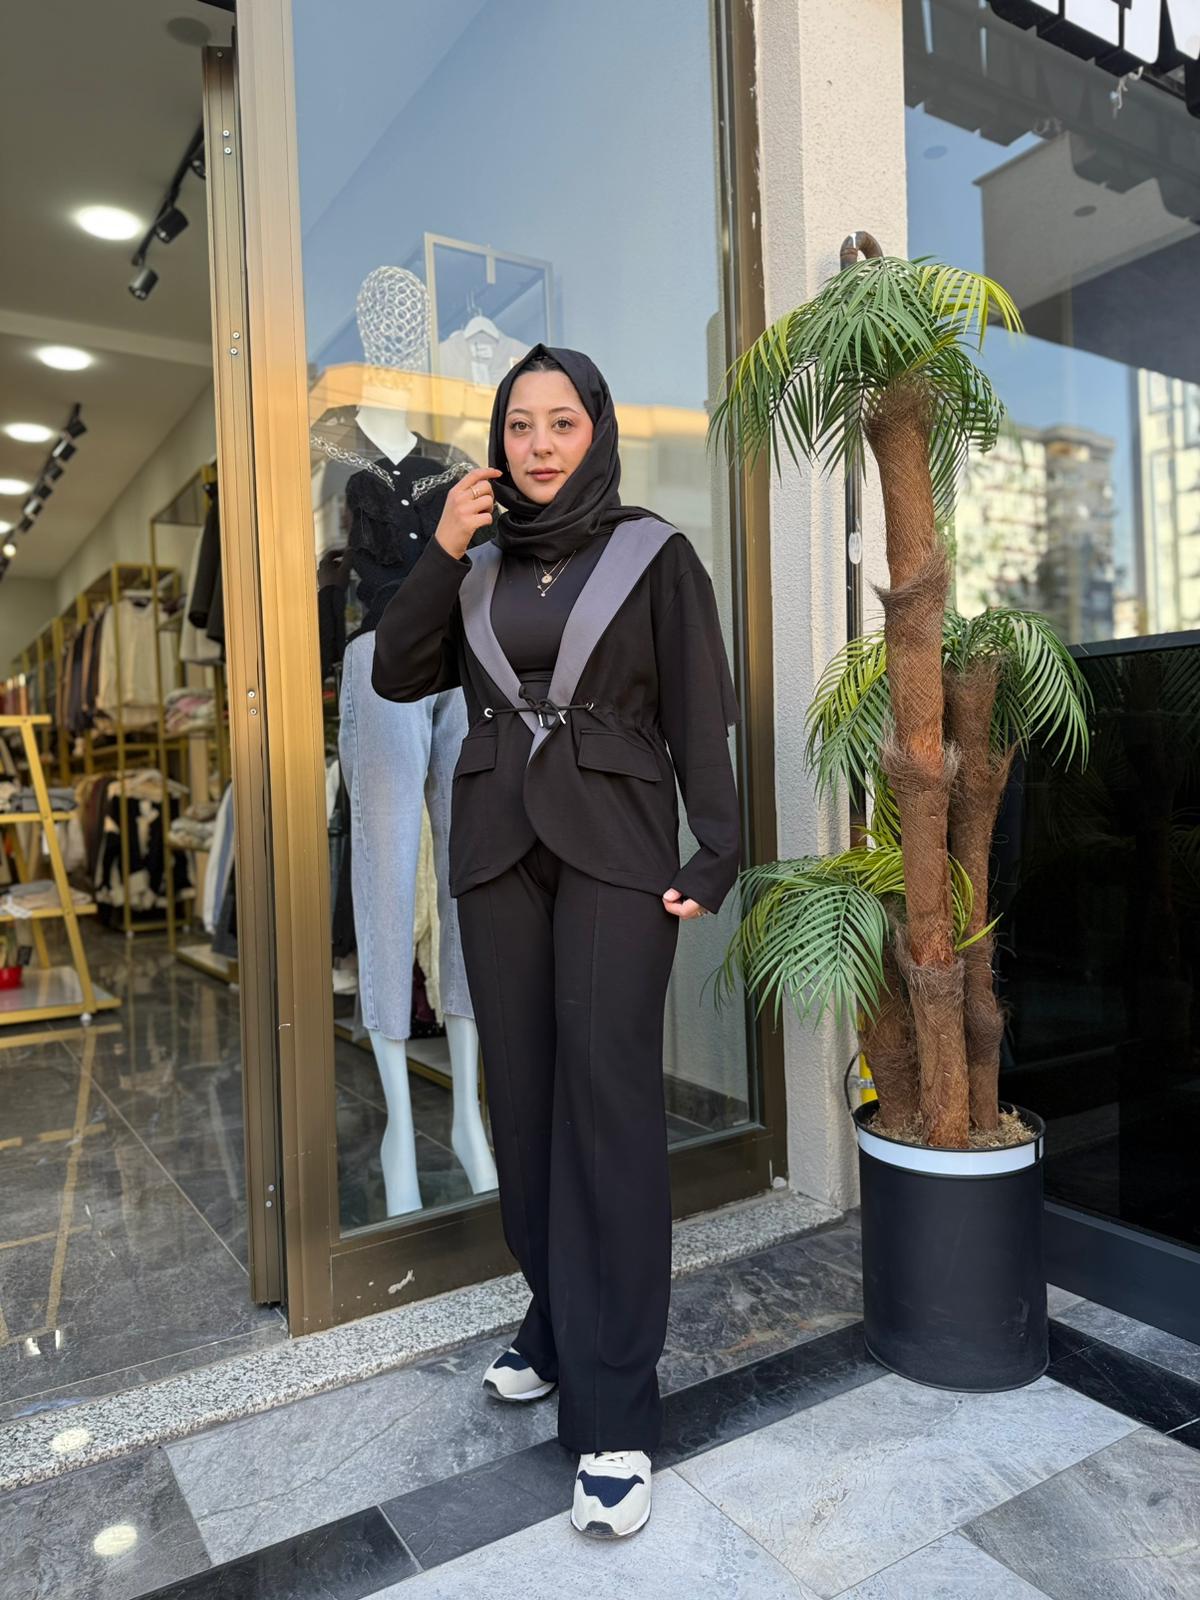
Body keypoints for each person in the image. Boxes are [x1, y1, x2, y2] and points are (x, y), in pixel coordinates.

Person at [371, 342, 741, 1539]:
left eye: (561, 423)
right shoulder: (475, 565)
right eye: (519, 425)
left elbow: (701, 704)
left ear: (596, 432)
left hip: (618, 853)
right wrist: (440, 547)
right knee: (525, 1109)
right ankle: (552, 1314)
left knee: (606, 1108)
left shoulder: (653, 552)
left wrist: (716, 850)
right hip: (496, 852)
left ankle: (616, 1407)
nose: (537, 444)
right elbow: (394, 672)